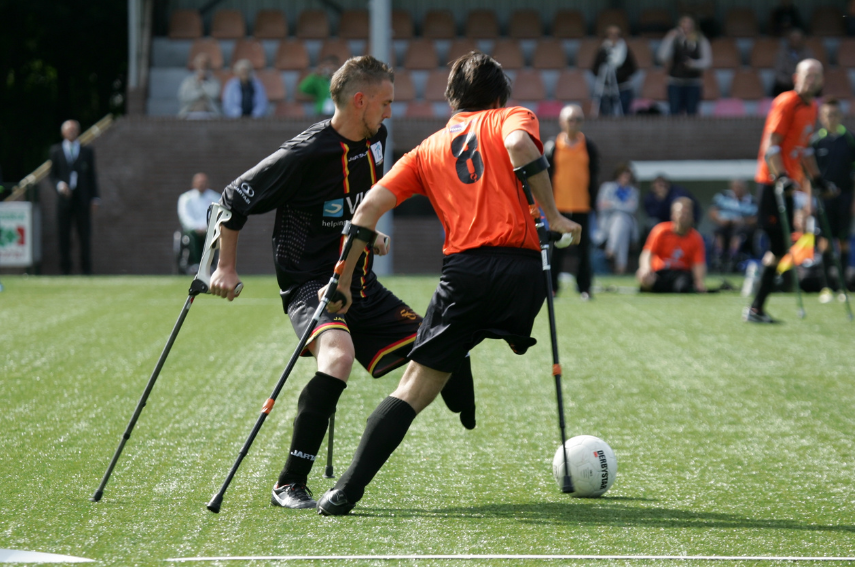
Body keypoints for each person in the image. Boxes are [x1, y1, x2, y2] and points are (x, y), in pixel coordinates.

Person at [313, 51, 580, 516]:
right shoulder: (512, 116)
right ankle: (460, 361)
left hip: (466, 277)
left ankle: (345, 493)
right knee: (473, 332)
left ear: (453, 100)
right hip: (521, 276)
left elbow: (367, 210)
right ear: (499, 96)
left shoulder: (426, 149)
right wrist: (553, 216)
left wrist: (342, 279)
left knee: (414, 387)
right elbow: (520, 146)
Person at [208, 55, 476, 510]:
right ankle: (289, 483)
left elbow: (356, 206)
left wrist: (368, 235)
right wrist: (224, 268)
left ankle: (459, 395)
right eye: (386, 102)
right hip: (311, 285)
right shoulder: (305, 153)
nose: (391, 111)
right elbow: (233, 199)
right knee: (338, 355)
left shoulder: (376, 139)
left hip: (362, 281)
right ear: (360, 100)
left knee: (446, 344)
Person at [746, 58, 833, 323]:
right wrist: (780, 176)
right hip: (771, 182)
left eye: (817, 75)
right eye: (808, 75)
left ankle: (756, 307)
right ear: (796, 77)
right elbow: (771, 146)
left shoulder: (812, 107)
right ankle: (755, 306)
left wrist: (817, 179)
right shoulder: (786, 102)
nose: (812, 80)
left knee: (781, 246)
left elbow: (804, 149)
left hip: (788, 184)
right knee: (778, 244)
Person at [544, 104, 599, 299]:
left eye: (578, 120)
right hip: (558, 207)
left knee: (583, 251)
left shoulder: (589, 146)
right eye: (570, 119)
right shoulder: (552, 147)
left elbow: (593, 175)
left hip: (582, 206)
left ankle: (584, 287)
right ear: (561, 122)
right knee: (555, 251)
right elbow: (546, 178)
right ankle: (552, 288)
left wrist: (594, 202)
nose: (573, 124)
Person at [810, 98, 855, 290]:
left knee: (843, 241)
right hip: (823, 201)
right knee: (825, 242)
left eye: (835, 114)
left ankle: (843, 286)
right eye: (828, 115)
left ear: (841, 116)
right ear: (821, 117)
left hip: (845, 197)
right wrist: (808, 203)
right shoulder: (815, 141)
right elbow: (808, 175)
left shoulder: (850, 139)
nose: (832, 118)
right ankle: (827, 287)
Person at [49, 120, 99, 275]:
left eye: (74, 130)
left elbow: (92, 176)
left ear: (78, 131)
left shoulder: (87, 151)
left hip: (82, 200)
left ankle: (86, 270)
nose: (71, 132)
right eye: (68, 130)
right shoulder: (56, 151)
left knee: (84, 235)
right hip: (64, 202)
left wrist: (95, 198)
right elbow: (52, 176)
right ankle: (65, 270)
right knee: (63, 235)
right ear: (63, 132)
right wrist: (60, 186)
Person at [637, 197, 707, 293]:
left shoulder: (695, 238)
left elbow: (698, 263)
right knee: (647, 282)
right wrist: (645, 269)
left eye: (687, 213)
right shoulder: (660, 230)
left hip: (681, 273)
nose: (684, 216)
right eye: (681, 213)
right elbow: (647, 253)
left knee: (683, 288)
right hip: (661, 272)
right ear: (673, 215)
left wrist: (699, 282)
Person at [657, 15, 711, 116]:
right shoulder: (674, 39)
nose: (686, 26)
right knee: (674, 112)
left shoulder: (701, 40)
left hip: (693, 83)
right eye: (684, 23)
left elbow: (707, 62)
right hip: (674, 82)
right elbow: (662, 57)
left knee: (692, 112)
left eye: (689, 24)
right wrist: (670, 38)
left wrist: (693, 64)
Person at [595, 164, 638, 275]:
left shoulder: (633, 191)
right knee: (621, 222)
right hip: (607, 225)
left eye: (628, 177)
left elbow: (632, 208)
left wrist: (612, 204)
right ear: (618, 176)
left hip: (628, 224)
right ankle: (621, 266)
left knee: (621, 219)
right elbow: (601, 206)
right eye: (624, 176)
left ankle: (611, 250)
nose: (626, 180)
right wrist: (623, 206)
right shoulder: (607, 187)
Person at [708, 178, 757, 273]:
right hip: (725, 225)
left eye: (740, 188)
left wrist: (742, 221)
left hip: (743, 228)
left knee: (739, 231)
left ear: (746, 189)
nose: (738, 190)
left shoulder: (753, 201)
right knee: (719, 230)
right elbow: (712, 212)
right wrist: (721, 219)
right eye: (736, 187)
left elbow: (756, 219)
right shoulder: (723, 196)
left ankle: (732, 257)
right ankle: (719, 257)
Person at [591, 25, 637, 116]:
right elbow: (594, 69)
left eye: (617, 34)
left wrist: (618, 75)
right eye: (611, 34)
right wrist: (606, 75)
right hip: (606, 89)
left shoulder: (625, 50)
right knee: (605, 115)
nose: (614, 36)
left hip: (622, 88)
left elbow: (633, 68)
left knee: (624, 114)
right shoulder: (602, 50)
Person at [177, 172, 220, 270]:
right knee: (193, 236)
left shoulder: (215, 197)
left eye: (204, 182)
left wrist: (206, 227)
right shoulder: (186, 198)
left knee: (210, 237)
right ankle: (196, 264)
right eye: (199, 182)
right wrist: (195, 227)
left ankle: (208, 264)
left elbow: (216, 215)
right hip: (192, 229)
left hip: (208, 229)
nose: (201, 184)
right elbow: (184, 216)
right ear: (194, 183)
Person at [178, 53, 221, 118]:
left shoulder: (214, 81)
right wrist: (199, 90)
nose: (203, 66)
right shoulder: (188, 81)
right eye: (200, 64)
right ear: (196, 65)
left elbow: (214, 95)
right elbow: (184, 97)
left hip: (210, 114)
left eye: (205, 64)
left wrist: (204, 83)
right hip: (189, 113)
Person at [772, 28, 814, 97]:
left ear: (802, 39)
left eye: (798, 38)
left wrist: (801, 82)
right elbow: (778, 74)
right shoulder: (781, 53)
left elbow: (812, 70)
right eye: (793, 38)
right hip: (786, 85)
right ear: (788, 39)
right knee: (777, 88)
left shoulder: (808, 53)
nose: (796, 40)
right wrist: (791, 81)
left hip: (804, 84)